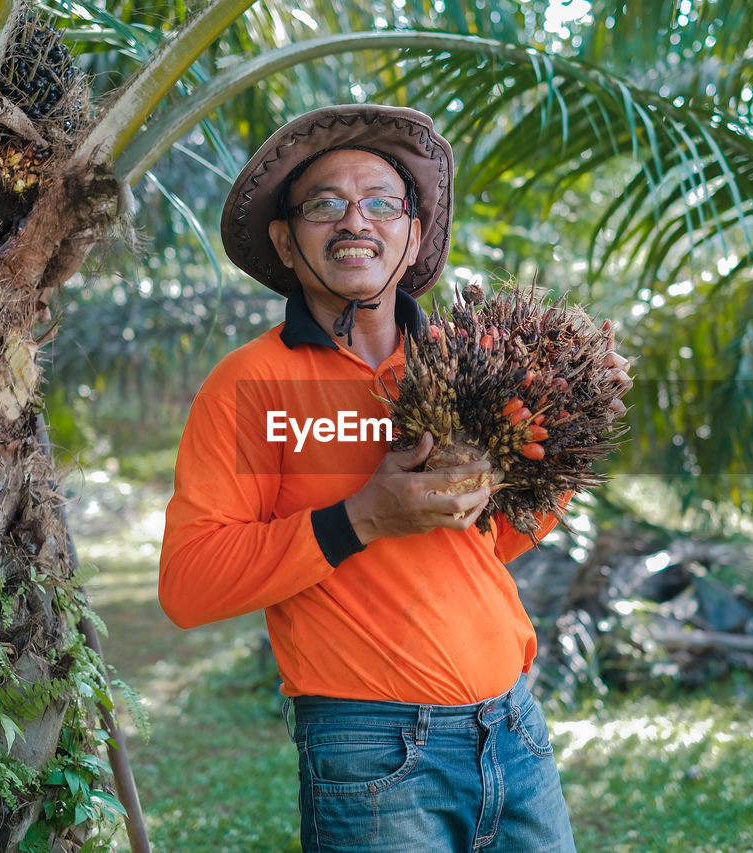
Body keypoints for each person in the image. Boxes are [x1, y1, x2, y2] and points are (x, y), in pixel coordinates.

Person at [159, 104, 631, 852]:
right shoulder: (250, 384)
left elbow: (494, 542)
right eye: (324, 205)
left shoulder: (470, 361)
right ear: (286, 239)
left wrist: (564, 429)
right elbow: (189, 585)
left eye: (382, 202)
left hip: (512, 726)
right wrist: (362, 517)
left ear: (412, 237)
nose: (356, 221)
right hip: (370, 747)